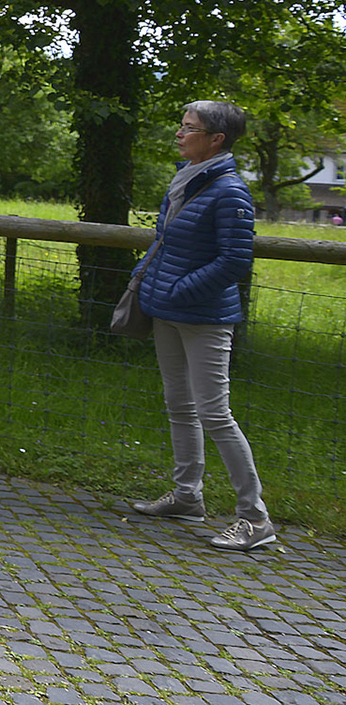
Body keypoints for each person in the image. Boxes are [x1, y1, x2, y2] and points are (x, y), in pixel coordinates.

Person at [131, 102, 275, 551]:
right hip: (169, 311)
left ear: (216, 139)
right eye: (181, 126)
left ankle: (255, 519)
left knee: (215, 412)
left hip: (204, 317)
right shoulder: (187, 179)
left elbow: (234, 260)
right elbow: (166, 243)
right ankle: (187, 496)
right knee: (179, 404)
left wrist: (179, 291)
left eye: (189, 128)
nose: (179, 134)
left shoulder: (229, 190)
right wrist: (155, 286)